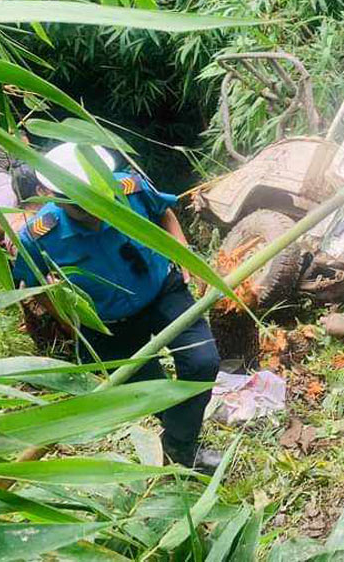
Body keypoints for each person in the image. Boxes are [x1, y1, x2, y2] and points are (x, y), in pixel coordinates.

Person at [11, 143, 221, 472]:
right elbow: (33, 283)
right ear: (47, 192)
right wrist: (65, 317)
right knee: (149, 391)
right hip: (109, 323)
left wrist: (183, 253)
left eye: (98, 197)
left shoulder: (131, 189)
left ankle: (179, 445)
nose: (94, 211)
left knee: (202, 361)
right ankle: (181, 435)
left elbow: (164, 212)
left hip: (162, 290)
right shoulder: (38, 236)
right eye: (80, 206)